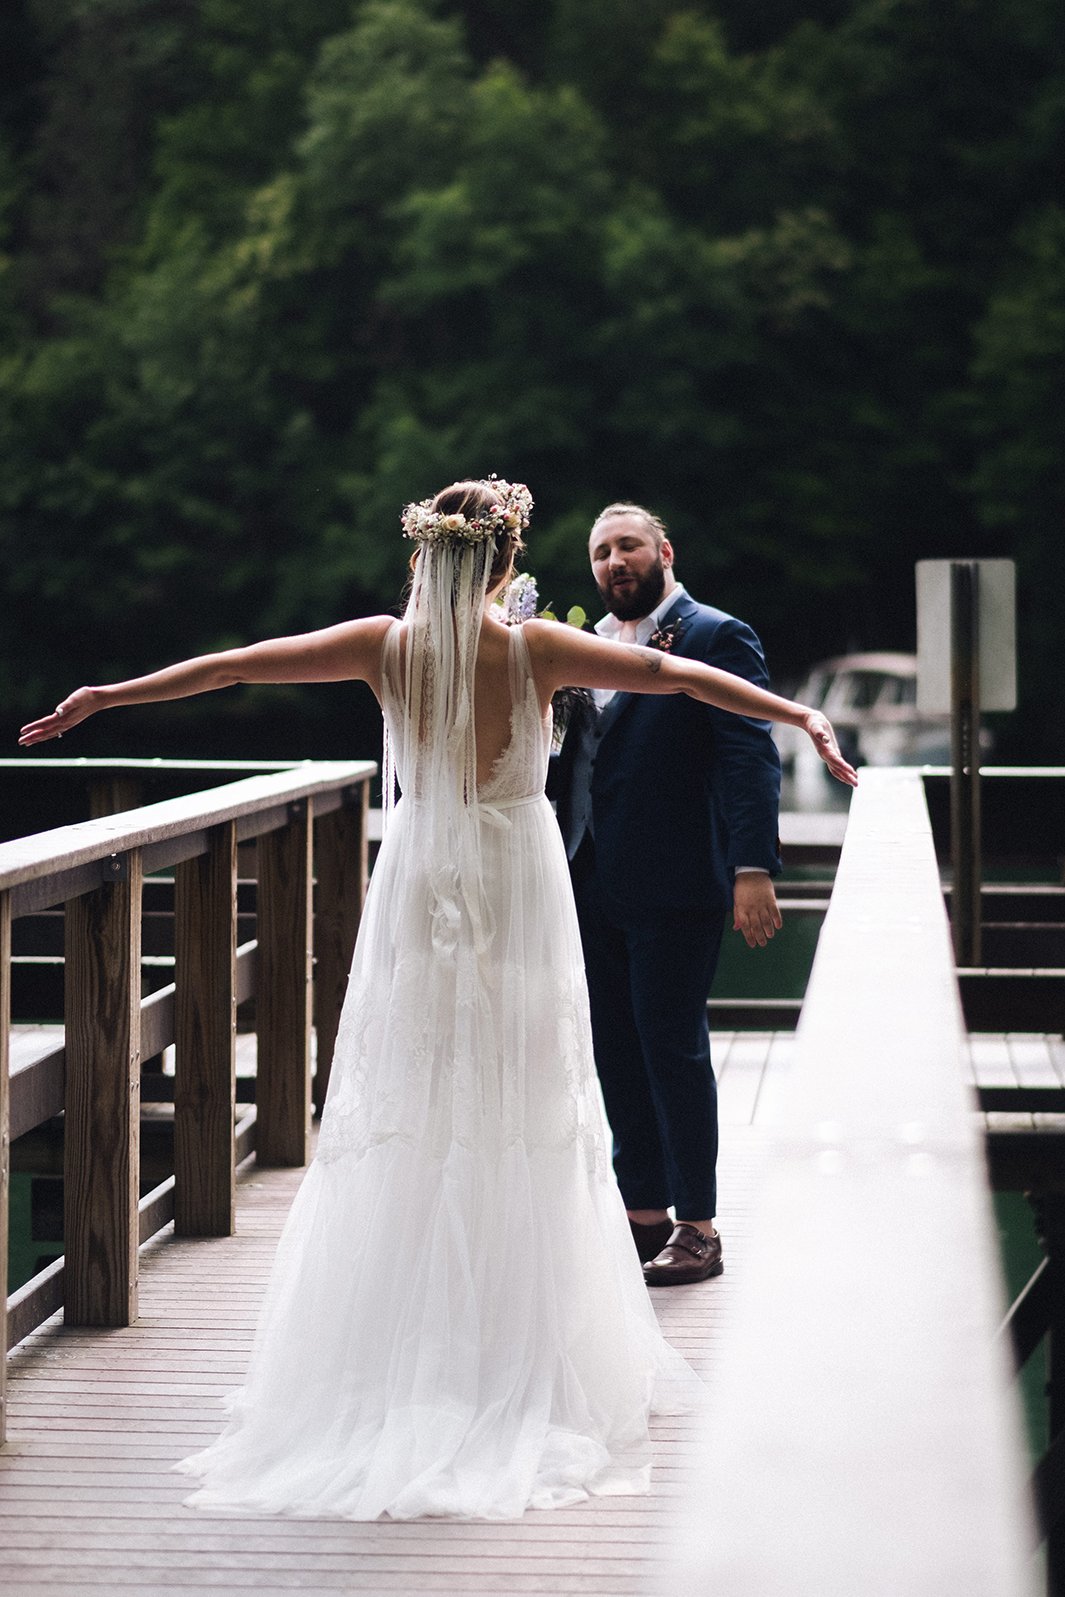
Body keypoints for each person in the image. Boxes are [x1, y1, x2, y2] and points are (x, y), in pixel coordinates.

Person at [19, 478, 855, 1520]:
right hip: (513, 879)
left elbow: (236, 665)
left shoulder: (383, 645)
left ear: (423, 554)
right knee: (522, 1085)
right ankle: (516, 1337)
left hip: (420, 874)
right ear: (506, 561)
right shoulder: (537, 648)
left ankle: (405, 1340)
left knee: (421, 1084)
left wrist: (107, 696)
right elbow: (672, 673)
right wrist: (799, 713)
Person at [552, 502, 787, 1287]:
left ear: (664, 552)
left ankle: (698, 1225)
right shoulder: (582, 647)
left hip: (678, 876)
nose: (613, 561)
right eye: (600, 552)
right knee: (614, 1048)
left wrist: (751, 867)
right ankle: (642, 1211)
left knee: (671, 1045)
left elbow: (748, 753)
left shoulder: (715, 635)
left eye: (628, 546)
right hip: (588, 875)